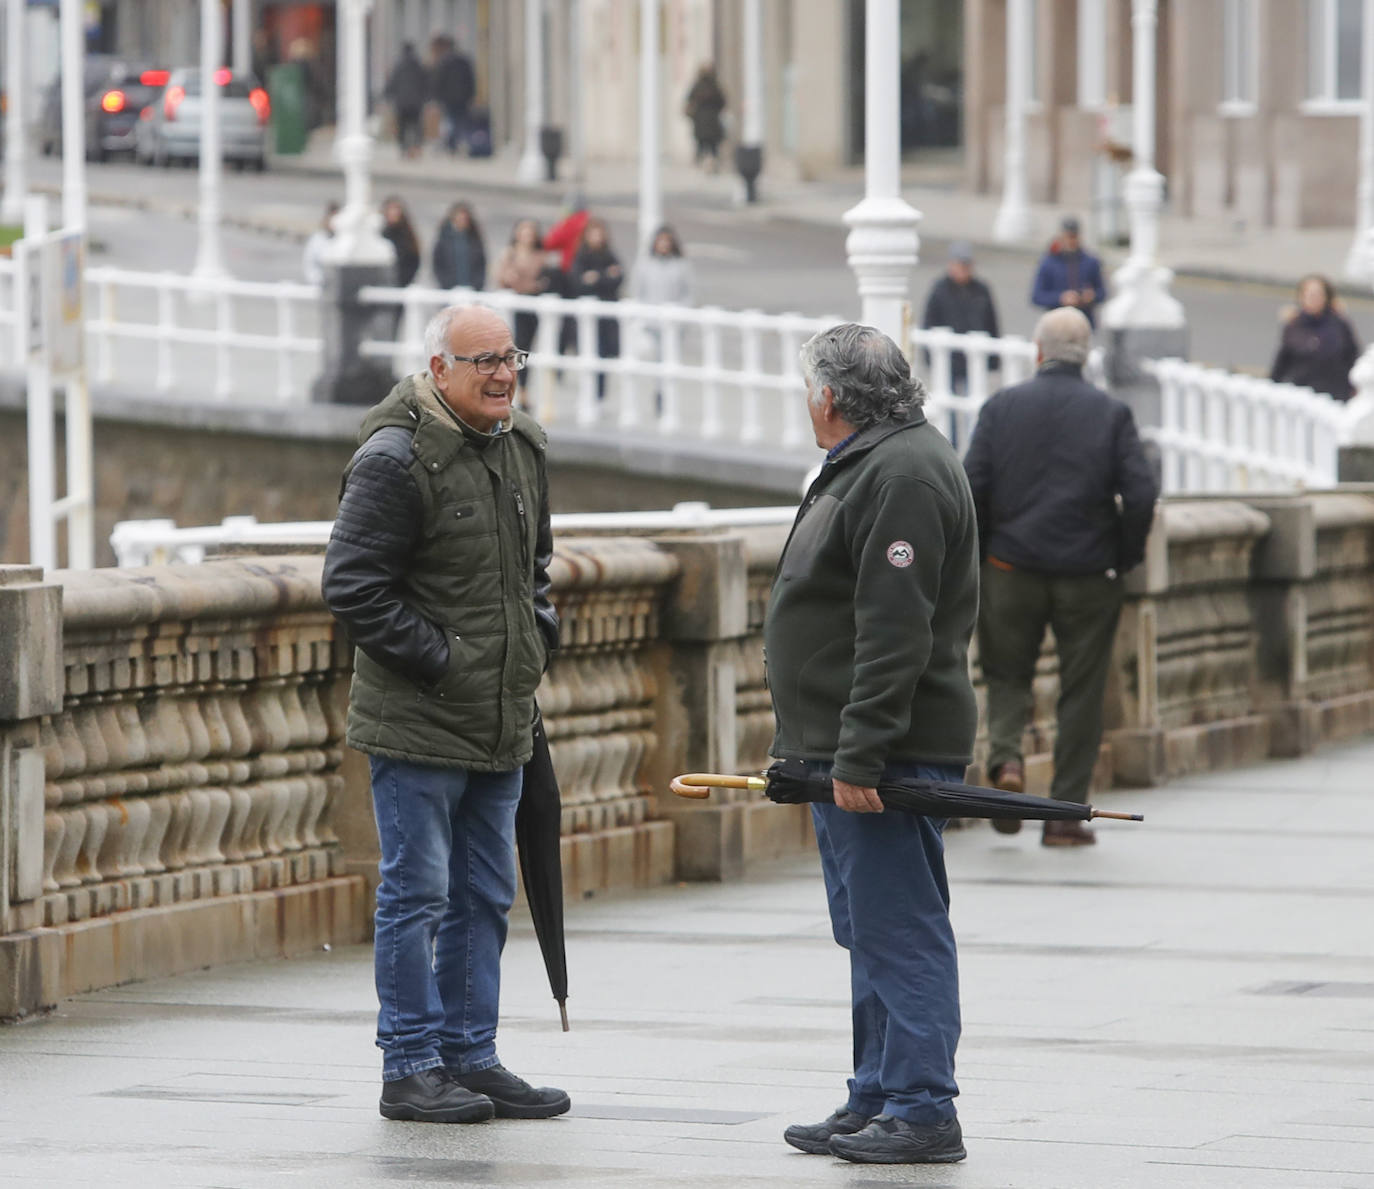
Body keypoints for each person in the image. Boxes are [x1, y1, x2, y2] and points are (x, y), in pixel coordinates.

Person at [322, 303, 566, 1126]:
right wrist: (445, 661)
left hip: (500, 723)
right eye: (483, 360)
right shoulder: (395, 457)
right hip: (418, 726)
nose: (504, 374)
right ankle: (410, 1063)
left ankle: (470, 1054)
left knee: (485, 894)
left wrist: (534, 641)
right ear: (438, 371)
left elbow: (534, 570)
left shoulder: (524, 447)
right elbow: (352, 586)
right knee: (417, 894)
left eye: (511, 356)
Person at [768, 323, 979, 1166]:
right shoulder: (878, 460)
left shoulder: (901, 472)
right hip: (843, 745)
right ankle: (878, 1092)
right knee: (868, 925)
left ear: (829, 396)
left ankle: (924, 1106)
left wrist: (860, 755)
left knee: (900, 926)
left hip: (880, 750)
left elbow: (894, 630)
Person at [962, 308, 1158, 846]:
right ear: (1086, 354)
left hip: (1010, 567)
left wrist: (984, 554)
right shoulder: (1111, 413)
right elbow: (1141, 494)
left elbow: (970, 485)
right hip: (1089, 571)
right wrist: (1123, 554)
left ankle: (1005, 767)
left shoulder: (1001, 408)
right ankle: (1066, 816)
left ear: (1038, 351)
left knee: (1005, 675)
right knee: (1081, 689)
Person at [921, 240, 1001, 390]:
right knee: (947, 391)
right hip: (949, 356)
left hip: (975, 353)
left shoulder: (981, 289)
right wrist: (929, 356)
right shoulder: (940, 290)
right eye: (960, 265)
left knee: (975, 392)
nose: (964, 269)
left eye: (967, 265)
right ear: (951, 265)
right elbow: (929, 321)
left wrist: (993, 358)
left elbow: (991, 322)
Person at [1270, 274, 1362, 401]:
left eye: (1318, 294)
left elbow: (1353, 356)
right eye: (1309, 294)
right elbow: (1282, 361)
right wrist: (1272, 386)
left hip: (1334, 394)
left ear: (1326, 297)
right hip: (1301, 393)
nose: (1313, 299)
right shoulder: (1294, 325)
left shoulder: (1339, 324)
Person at [494, 218, 553, 390]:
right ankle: (512, 386)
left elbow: (543, 283)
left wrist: (520, 283)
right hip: (512, 308)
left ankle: (523, 388)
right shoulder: (509, 254)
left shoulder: (541, 257)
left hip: (532, 308)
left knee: (526, 349)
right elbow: (502, 279)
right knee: (511, 346)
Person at [570, 217, 623, 398]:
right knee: (589, 351)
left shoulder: (609, 255)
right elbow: (579, 282)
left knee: (605, 354)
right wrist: (605, 276)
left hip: (607, 316)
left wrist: (595, 277)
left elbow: (618, 278)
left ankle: (599, 395)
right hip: (587, 315)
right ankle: (588, 393)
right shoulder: (582, 256)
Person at [1030, 216, 1106, 327]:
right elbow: (1037, 296)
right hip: (1056, 323)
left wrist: (1092, 296)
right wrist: (1060, 298)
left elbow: (1102, 292)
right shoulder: (1048, 263)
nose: (1071, 241)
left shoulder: (1091, 262)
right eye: (1068, 237)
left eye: (1074, 237)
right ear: (1061, 237)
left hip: (1083, 322)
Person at [380, 197, 421, 338]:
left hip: (400, 286)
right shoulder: (381, 234)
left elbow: (414, 260)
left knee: (394, 328)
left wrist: (403, 281)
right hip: (383, 287)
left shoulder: (407, 236)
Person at [431, 36, 477, 154]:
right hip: (463, 97)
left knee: (450, 120)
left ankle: (452, 145)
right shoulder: (464, 61)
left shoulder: (444, 62)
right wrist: (471, 94)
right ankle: (460, 143)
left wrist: (437, 96)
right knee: (461, 121)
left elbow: (438, 81)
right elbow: (471, 79)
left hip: (448, 98)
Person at [385, 43, 429, 158]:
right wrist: (426, 97)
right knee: (416, 125)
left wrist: (387, 95)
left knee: (403, 126)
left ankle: (403, 148)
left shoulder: (398, 66)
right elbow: (425, 82)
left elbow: (392, 83)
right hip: (416, 102)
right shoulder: (418, 65)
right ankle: (416, 147)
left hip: (402, 102)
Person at [432, 202, 487, 291]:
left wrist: (477, 285)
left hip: (471, 289)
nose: (461, 220)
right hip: (449, 289)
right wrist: (446, 284)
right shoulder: (444, 240)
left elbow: (481, 265)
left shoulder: (475, 240)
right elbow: (438, 264)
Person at [683, 64, 727, 171]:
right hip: (712, 121)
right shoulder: (714, 86)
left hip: (701, 121)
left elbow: (689, 101)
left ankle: (701, 164)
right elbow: (722, 102)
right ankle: (712, 164)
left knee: (701, 145)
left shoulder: (698, 86)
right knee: (712, 146)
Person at [302, 201, 339, 285]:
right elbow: (309, 264)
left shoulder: (345, 239)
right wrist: (319, 280)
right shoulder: (317, 239)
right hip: (322, 284)